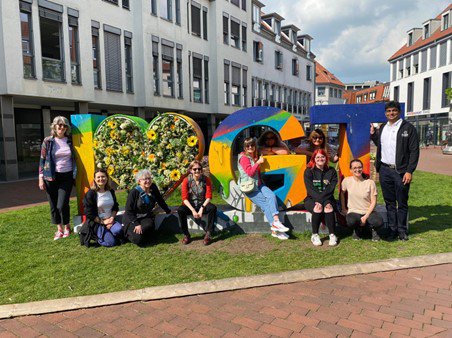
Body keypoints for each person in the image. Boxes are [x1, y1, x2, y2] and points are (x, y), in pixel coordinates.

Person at [370, 101, 419, 241]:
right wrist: (373, 135)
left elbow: (414, 151)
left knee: (402, 202)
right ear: (385, 113)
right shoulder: (383, 127)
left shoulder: (408, 128)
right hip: (385, 170)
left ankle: (402, 230)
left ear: (399, 112)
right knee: (389, 203)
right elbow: (381, 144)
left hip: (401, 171)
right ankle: (392, 229)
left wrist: (410, 170)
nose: (391, 113)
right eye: (388, 111)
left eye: (394, 111)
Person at [237, 137, 290, 240]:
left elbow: (284, 151)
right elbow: (250, 173)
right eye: (247, 146)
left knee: (271, 195)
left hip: (259, 184)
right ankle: (275, 230)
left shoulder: (256, 155)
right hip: (250, 188)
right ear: (245, 148)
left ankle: (276, 222)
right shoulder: (244, 158)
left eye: (252, 145)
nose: (250, 147)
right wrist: (258, 163)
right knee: (266, 205)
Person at [38, 116, 76, 240]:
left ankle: (67, 226)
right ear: (54, 126)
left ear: (67, 128)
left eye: (64, 125)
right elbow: (42, 160)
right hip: (50, 176)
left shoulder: (70, 140)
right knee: (53, 205)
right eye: (59, 125)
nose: (61, 127)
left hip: (67, 176)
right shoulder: (48, 141)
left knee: (62, 204)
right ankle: (59, 229)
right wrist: (40, 178)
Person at [123, 169, 172, 246]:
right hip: (132, 218)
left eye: (149, 178)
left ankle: (138, 234)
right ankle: (128, 234)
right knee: (138, 240)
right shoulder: (134, 192)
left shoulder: (153, 187)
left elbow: (160, 200)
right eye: (145, 179)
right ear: (139, 181)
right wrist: (136, 224)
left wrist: (168, 211)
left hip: (145, 217)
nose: (148, 181)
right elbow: (128, 210)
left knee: (149, 226)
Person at [341, 159, 383, 241]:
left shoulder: (370, 183)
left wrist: (366, 216)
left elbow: (374, 201)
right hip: (354, 211)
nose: (357, 170)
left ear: (362, 168)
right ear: (351, 170)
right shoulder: (347, 181)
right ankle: (357, 230)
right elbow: (342, 193)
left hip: (368, 211)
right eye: (355, 168)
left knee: (378, 222)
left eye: (360, 167)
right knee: (351, 221)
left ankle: (373, 231)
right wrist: (343, 208)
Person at [303, 148, 338, 246]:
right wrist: (319, 201)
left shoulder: (332, 171)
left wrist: (322, 201)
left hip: (328, 197)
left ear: (326, 158)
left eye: (322, 156)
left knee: (328, 207)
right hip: (311, 198)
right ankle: (314, 235)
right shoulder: (309, 171)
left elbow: (331, 188)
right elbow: (310, 189)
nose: (320, 159)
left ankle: (332, 235)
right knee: (317, 208)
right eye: (317, 157)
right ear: (314, 159)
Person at [177, 160, 217, 245]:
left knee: (212, 208)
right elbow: (184, 198)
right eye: (194, 169)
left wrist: (202, 208)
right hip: (190, 205)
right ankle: (186, 234)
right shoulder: (186, 181)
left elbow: (209, 196)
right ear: (191, 170)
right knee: (180, 210)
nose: (197, 171)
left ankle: (208, 234)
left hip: (202, 204)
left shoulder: (206, 180)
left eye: (199, 169)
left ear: (201, 170)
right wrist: (193, 210)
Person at [83, 169, 123, 247]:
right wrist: (103, 222)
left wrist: (111, 219)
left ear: (107, 178)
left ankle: (111, 232)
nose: (101, 179)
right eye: (98, 177)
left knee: (119, 230)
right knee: (111, 243)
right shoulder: (91, 193)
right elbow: (89, 213)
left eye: (103, 176)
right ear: (94, 179)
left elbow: (115, 206)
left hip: (110, 219)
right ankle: (97, 238)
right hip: (97, 222)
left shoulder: (110, 191)